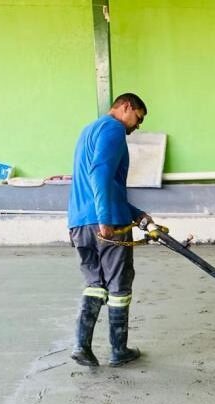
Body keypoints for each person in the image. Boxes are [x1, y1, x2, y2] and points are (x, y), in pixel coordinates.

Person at [67, 93, 152, 368]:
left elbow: (103, 185)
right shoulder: (114, 129)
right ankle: (119, 350)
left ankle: (82, 347)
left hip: (79, 222)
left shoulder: (88, 131)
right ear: (126, 107)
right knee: (119, 286)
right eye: (138, 118)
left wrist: (136, 214)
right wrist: (106, 219)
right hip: (108, 223)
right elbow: (100, 173)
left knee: (95, 285)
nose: (137, 126)